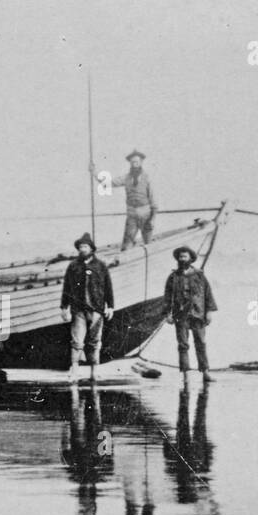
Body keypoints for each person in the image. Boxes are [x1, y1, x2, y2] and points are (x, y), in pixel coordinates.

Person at [59, 233, 114, 381]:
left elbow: (108, 287)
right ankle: (74, 372)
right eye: (80, 247)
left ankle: (94, 372)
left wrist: (110, 306)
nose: (82, 249)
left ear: (91, 249)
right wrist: (64, 307)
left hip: (97, 309)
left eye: (85, 247)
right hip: (78, 310)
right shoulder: (73, 266)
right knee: (77, 342)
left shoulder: (100, 266)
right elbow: (67, 287)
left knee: (95, 342)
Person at [164, 245, 218, 384]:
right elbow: (167, 297)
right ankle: (185, 375)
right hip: (180, 314)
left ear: (190, 259)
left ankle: (205, 372)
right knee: (183, 344)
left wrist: (209, 312)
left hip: (198, 313)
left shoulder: (199, 275)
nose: (182, 259)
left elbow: (208, 294)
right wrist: (167, 314)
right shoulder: (173, 277)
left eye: (185, 256)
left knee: (201, 343)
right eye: (180, 257)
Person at [98, 149, 158, 249]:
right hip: (131, 214)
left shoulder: (147, 178)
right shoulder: (126, 178)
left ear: (141, 162)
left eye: (137, 162)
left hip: (146, 213)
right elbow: (108, 183)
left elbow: (153, 200)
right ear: (130, 163)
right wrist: (94, 173)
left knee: (148, 244)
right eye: (132, 162)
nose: (135, 164)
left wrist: (152, 219)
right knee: (126, 245)